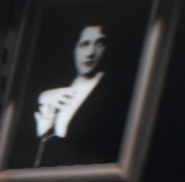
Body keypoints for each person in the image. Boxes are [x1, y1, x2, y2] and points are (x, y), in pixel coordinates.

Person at [31, 25, 119, 168]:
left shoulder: (112, 94)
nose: (90, 53)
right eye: (85, 44)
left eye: (100, 43)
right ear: (74, 48)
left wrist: (48, 138)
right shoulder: (59, 81)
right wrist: (41, 98)